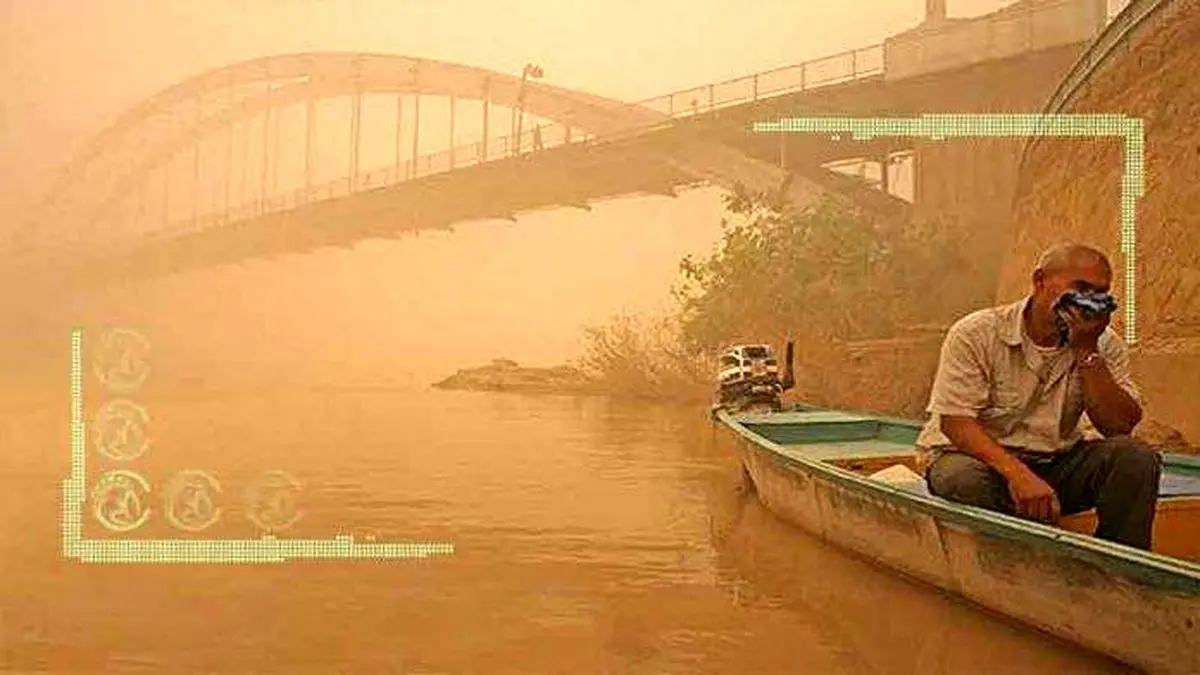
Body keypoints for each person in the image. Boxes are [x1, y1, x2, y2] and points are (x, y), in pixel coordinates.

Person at [916, 243, 1161, 549]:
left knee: (1135, 458)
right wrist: (1018, 475)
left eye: (1099, 293)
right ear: (1040, 281)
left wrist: (1086, 351)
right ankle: (1018, 565)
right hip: (984, 464)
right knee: (962, 480)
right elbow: (956, 422)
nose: (1088, 302)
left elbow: (1119, 426)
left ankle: (1122, 572)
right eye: (1080, 288)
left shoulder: (1102, 343)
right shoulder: (977, 333)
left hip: (1055, 463)